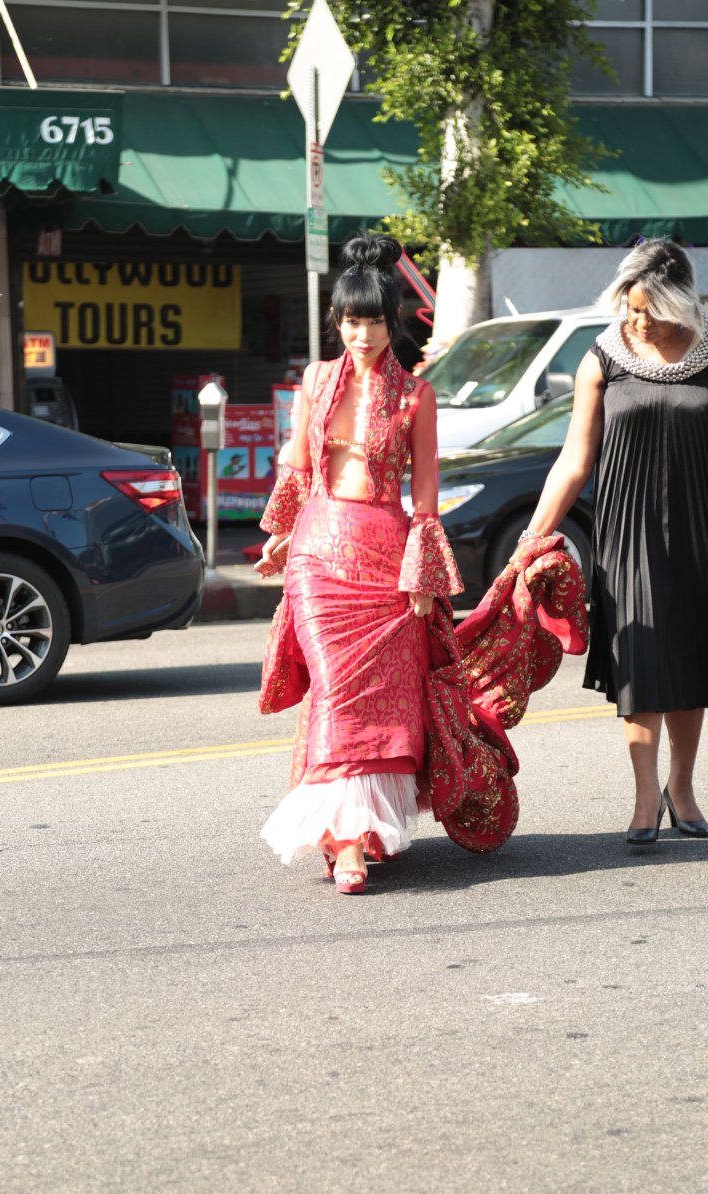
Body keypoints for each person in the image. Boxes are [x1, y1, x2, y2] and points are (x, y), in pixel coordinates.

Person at [518, 238, 708, 845]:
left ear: (681, 302)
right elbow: (574, 460)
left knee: (689, 655)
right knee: (639, 658)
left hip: (702, 526)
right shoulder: (603, 356)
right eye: (631, 307)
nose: (638, 320)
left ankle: (680, 788)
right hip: (627, 530)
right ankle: (643, 796)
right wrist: (533, 536)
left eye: (651, 309)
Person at [253, 233, 464, 893]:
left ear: (392, 321)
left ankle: (361, 829)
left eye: (373, 321)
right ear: (336, 321)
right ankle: (345, 840)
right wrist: (279, 533)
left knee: (378, 702)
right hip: (318, 553)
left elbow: (424, 499)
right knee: (336, 692)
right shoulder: (316, 381)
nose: (362, 335)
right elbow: (298, 464)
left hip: (384, 558)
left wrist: (421, 577)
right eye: (350, 321)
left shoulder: (416, 396)